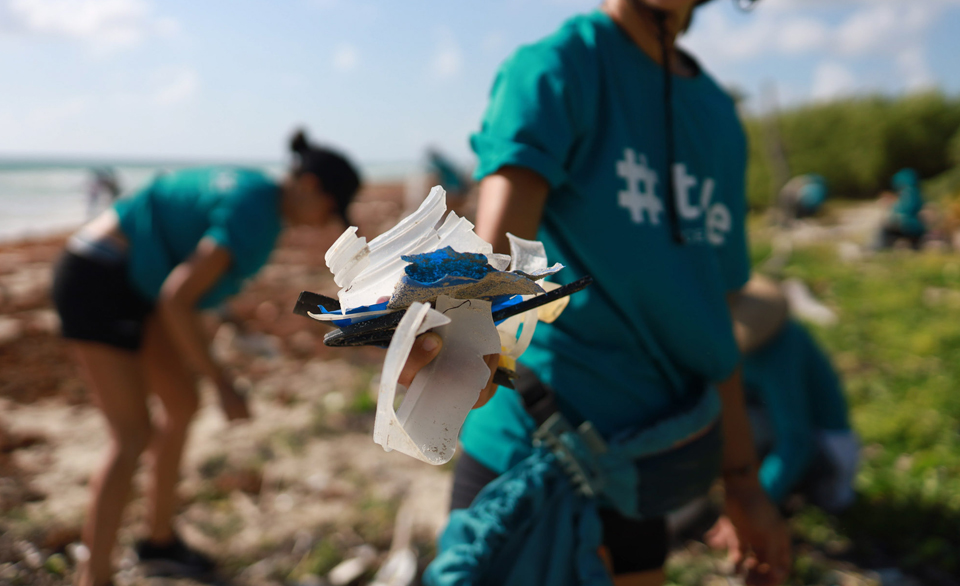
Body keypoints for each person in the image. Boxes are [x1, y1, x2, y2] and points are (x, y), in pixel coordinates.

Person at [416, 1, 791, 585]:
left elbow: (714, 323)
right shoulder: (557, 69)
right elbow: (492, 266)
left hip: (646, 460)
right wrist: (451, 338)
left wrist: (743, 484)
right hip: (532, 451)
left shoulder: (716, 115)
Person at [51, 130, 361, 586]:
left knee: (180, 406)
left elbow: (193, 283)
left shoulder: (256, 194)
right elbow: (179, 297)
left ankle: (158, 543)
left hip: (136, 279)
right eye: (331, 210)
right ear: (311, 185)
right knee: (132, 433)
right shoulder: (256, 212)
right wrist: (222, 382)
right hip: (98, 275)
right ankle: (93, 575)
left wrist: (233, 330)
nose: (325, 223)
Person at [704, 276, 858, 555]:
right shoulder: (742, 350)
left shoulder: (777, 351)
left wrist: (750, 504)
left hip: (824, 449)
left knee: (729, 424)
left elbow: (796, 440)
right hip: (776, 433)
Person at [875, 168, 926, 250]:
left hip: (910, 225)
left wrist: (891, 206)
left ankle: (880, 247)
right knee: (887, 226)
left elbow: (905, 211)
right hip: (914, 225)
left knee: (884, 226)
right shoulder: (915, 192)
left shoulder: (908, 193)